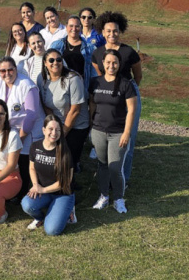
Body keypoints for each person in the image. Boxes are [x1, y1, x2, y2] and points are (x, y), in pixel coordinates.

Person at [92, 11, 142, 183]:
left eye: (115, 31)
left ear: (120, 31)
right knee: (106, 137)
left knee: (127, 139)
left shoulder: (129, 52)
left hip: (127, 96)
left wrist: (128, 90)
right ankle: (107, 178)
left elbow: (138, 76)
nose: (112, 34)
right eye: (108, 31)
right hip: (106, 98)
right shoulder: (97, 53)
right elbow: (101, 75)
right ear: (102, 32)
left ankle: (123, 179)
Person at [89, 50, 137, 214]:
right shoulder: (95, 82)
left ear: (119, 64)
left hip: (118, 133)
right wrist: (91, 126)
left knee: (116, 168)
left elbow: (131, 110)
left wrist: (126, 133)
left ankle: (118, 199)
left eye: (114, 63)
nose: (111, 66)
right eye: (108, 62)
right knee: (102, 165)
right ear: (103, 63)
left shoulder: (126, 84)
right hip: (98, 131)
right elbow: (92, 105)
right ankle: (103, 196)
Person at [0, 57, 41, 196]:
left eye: (10, 69)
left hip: (25, 130)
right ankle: (8, 188)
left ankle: (22, 192)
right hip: (5, 130)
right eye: (3, 71)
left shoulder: (27, 85)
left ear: (15, 69)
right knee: (7, 161)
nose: (7, 73)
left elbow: (31, 115)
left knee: (23, 162)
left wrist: (20, 137)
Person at [22, 114, 76, 235]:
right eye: (51, 129)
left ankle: (68, 210)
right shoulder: (35, 146)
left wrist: (43, 189)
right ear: (44, 130)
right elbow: (31, 168)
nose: (54, 133)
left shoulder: (65, 151)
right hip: (43, 191)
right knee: (26, 204)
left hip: (62, 194)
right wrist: (36, 185)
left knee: (52, 230)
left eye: (57, 130)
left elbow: (65, 182)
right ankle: (40, 218)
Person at [39, 49, 89, 172]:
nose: (55, 62)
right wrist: (54, 126)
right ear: (45, 63)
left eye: (58, 59)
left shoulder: (73, 79)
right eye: (51, 60)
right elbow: (45, 104)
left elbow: (75, 110)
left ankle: (69, 185)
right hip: (58, 124)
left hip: (75, 125)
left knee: (67, 161)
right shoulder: (41, 78)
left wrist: (62, 133)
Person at [49, 16, 96, 85]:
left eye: (77, 26)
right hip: (60, 84)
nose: (74, 29)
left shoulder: (90, 48)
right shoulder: (56, 45)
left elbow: (93, 71)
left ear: (80, 28)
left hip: (81, 85)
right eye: (71, 26)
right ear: (66, 27)